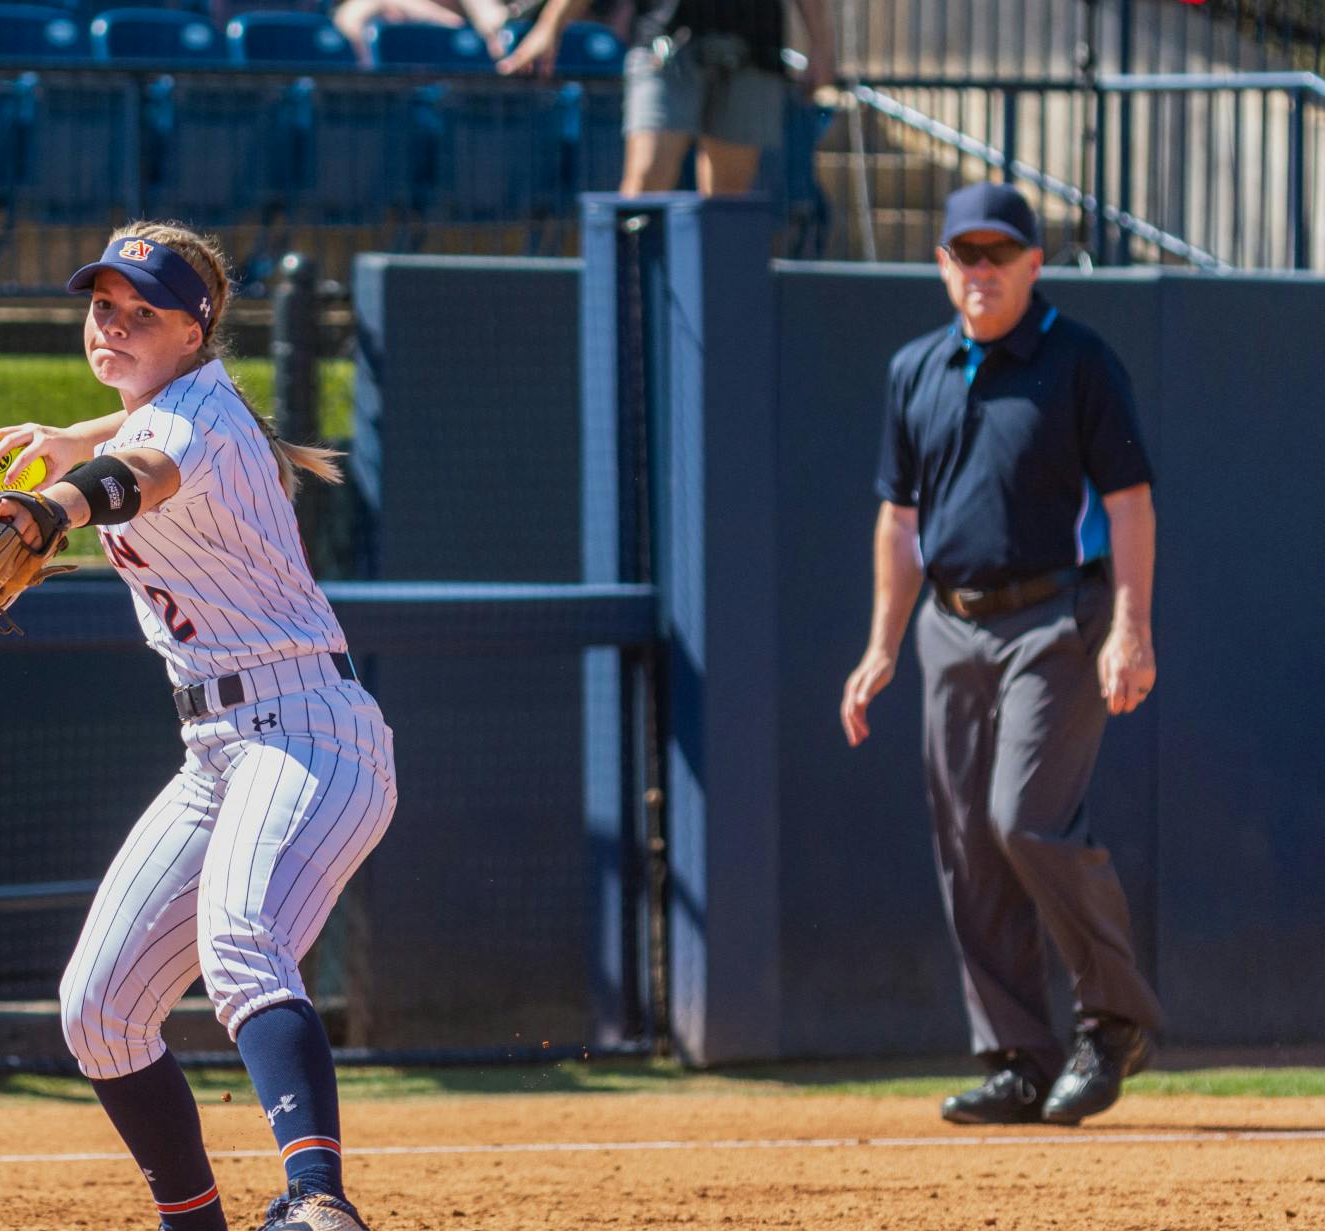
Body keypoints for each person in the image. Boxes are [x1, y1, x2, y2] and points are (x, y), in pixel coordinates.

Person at [0, 221, 400, 1231]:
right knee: (98, 1005)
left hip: (306, 729)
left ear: (196, 327)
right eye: (100, 307)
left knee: (239, 935)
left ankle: (318, 1198)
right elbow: (131, 433)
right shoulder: (175, 405)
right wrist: (68, 441)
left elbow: (144, 468)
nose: (111, 324)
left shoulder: (194, 423)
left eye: (140, 310)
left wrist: (51, 501)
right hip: (213, 748)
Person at [839, 182, 1165, 1128]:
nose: (981, 271)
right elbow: (900, 523)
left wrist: (1131, 628)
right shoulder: (918, 368)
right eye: (964, 254)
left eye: (999, 253)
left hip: (1058, 618)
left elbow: (1131, 503)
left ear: (1034, 263)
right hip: (950, 623)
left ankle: (1113, 1021)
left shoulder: (1080, 362)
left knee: (1025, 817)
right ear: (942, 265)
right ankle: (1021, 1056)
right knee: (968, 843)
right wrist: (881, 644)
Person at [499, 0, 835, 197]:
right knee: (646, 181)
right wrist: (550, 26)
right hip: (666, 45)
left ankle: (712, 308)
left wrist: (820, 44)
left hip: (752, 48)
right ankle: (631, 303)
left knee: (728, 201)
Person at [332, 0, 513, 64]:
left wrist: (493, 35)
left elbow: (492, 18)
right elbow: (347, 20)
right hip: (401, 82)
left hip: (460, 74)